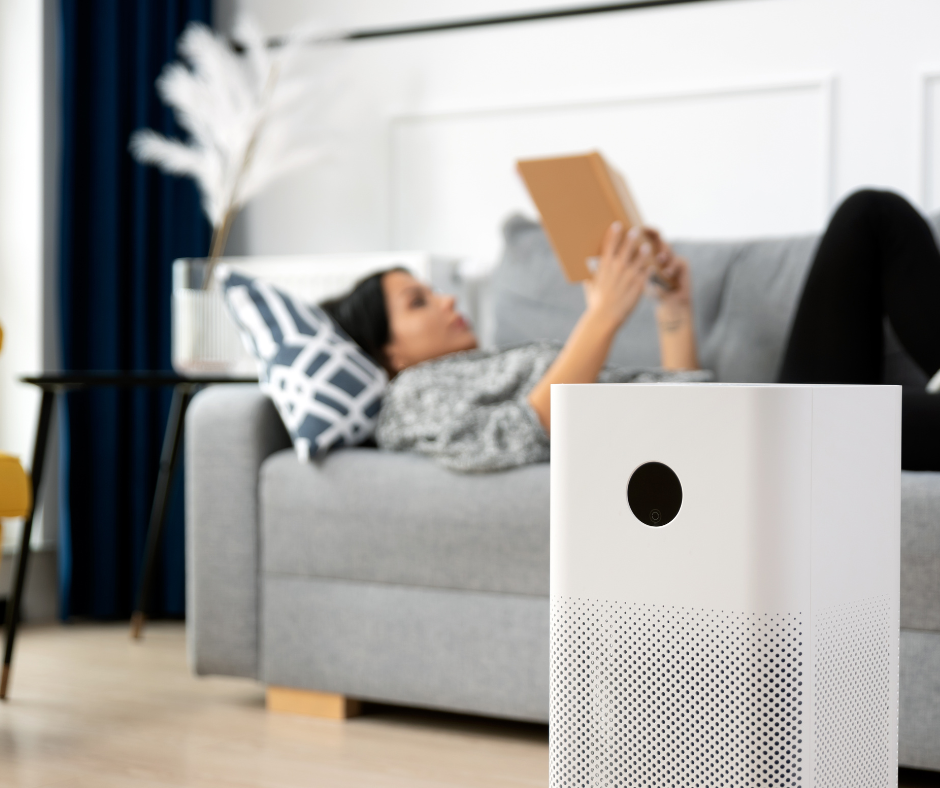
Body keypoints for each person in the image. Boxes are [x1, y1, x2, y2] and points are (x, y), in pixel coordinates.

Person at [322, 189, 940, 472]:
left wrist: (671, 308)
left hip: (742, 425)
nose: (447, 299)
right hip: (749, 453)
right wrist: (602, 315)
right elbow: (514, 437)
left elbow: (678, 403)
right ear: (389, 351)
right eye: (418, 302)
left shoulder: (488, 363)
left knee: (869, 217)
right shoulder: (408, 402)